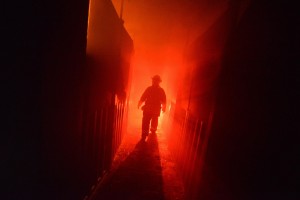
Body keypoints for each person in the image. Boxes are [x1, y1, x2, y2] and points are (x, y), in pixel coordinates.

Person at [138, 75, 167, 141]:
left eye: (155, 80)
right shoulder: (152, 89)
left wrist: (164, 107)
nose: (153, 82)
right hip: (151, 109)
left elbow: (163, 100)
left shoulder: (157, 90)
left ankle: (151, 132)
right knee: (146, 121)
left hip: (152, 109)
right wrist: (140, 102)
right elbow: (144, 96)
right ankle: (145, 134)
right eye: (153, 80)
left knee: (151, 121)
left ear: (158, 82)